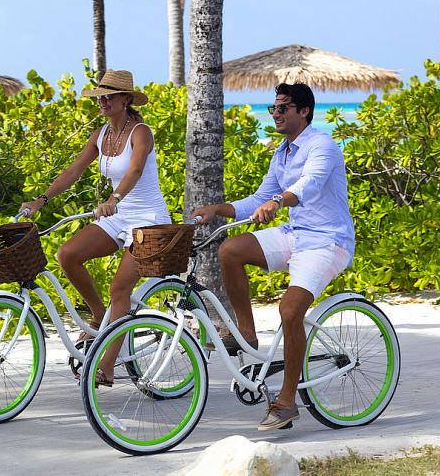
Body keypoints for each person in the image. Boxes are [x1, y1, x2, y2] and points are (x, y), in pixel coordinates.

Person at [190, 82, 354, 431]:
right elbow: (257, 199)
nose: (275, 114)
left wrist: (279, 201)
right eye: (273, 108)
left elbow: (310, 184)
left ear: (303, 111)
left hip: (327, 241)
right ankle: (247, 334)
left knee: (290, 310)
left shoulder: (322, 145)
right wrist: (217, 209)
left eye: (282, 108)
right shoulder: (282, 153)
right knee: (230, 250)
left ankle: (288, 401)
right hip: (295, 234)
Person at [19, 70, 171, 383]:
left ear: (126, 99)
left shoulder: (141, 132)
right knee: (68, 254)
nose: (103, 101)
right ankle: (101, 316)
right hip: (119, 216)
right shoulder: (101, 134)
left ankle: (107, 366)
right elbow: (74, 170)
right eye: (100, 97)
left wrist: (114, 198)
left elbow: (135, 170)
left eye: (110, 96)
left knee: (120, 288)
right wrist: (40, 201)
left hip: (148, 219)